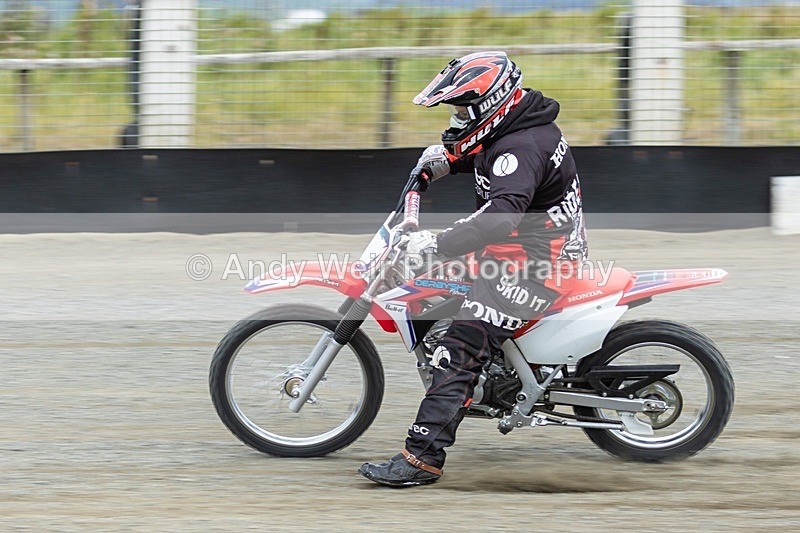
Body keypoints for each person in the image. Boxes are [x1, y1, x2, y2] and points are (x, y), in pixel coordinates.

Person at [358, 51, 588, 487]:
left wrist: (436, 242)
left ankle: (423, 458)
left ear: (491, 102)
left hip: (532, 268)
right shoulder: (516, 128)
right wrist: (448, 161)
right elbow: (487, 156)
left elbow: (502, 212)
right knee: (432, 292)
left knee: (458, 346)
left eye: (464, 109)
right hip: (523, 251)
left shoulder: (521, 147)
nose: (459, 118)